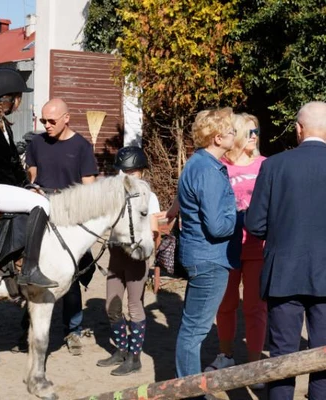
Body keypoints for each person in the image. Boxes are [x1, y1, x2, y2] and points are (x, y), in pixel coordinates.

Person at [245, 101, 326, 400]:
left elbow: (254, 224)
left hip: (284, 272)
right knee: (324, 354)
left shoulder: (274, 165)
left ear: (299, 129)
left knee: (282, 357)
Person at [165, 108, 237, 397]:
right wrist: (240, 214)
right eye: (231, 131)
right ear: (218, 137)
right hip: (209, 257)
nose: (235, 134)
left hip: (201, 255)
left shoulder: (198, 164)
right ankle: (191, 391)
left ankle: (190, 388)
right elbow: (218, 226)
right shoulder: (207, 170)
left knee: (192, 328)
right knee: (194, 331)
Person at [0, 67, 58, 288]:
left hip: (0, 187)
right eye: (19, 98)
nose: (19, 103)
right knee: (42, 204)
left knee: (37, 196)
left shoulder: (2, 124)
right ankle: (30, 269)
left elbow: (12, 165)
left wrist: (27, 185)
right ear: (8, 99)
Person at [26, 98, 98, 355]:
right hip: (39, 213)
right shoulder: (36, 143)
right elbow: (32, 176)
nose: (46, 125)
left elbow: (88, 188)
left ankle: (73, 330)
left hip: (69, 218)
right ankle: (28, 321)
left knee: (70, 277)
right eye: (44, 120)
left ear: (67, 118)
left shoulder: (82, 147)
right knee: (30, 267)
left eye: (52, 121)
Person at [204, 113, 267, 391]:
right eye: (250, 131)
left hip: (257, 248)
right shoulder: (220, 166)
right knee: (226, 305)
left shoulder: (266, 166)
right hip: (226, 248)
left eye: (257, 131)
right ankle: (226, 355)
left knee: (255, 308)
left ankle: (255, 366)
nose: (254, 136)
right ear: (238, 135)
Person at [96, 146, 160, 376]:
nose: (127, 176)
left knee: (134, 307)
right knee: (111, 307)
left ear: (142, 172)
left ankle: (135, 358)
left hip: (136, 257)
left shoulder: (148, 197)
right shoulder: (115, 195)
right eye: (123, 171)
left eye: (132, 171)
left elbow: (153, 228)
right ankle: (121, 350)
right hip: (115, 254)